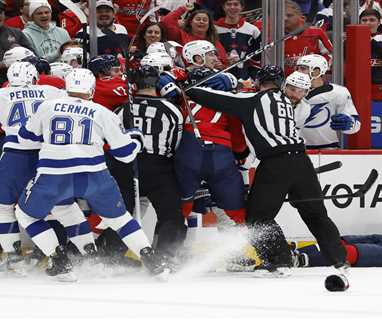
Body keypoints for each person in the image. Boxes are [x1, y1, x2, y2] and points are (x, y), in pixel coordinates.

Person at [186, 65, 348, 278]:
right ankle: (340, 259)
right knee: (316, 214)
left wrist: (189, 87)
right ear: (282, 85)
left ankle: (279, 260)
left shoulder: (253, 100)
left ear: (257, 82)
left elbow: (212, 98)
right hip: (302, 161)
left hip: (275, 163)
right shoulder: (290, 104)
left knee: (257, 217)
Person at [14, 68, 167, 281]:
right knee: (119, 219)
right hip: (94, 175)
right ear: (91, 90)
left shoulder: (47, 107)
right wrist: (135, 140)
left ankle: (60, 262)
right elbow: (124, 155)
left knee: (26, 214)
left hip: (54, 174)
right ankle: (149, 258)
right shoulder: (103, 112)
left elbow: (25, 139)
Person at [0, 62, 96, 274]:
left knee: (4, 207)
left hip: (15, 157)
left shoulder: (2, 94)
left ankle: (15, 258)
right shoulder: (51, 90)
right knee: (64, 206)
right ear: (35, 78)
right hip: (48, 155)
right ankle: (90, 254)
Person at [173, 40, 248, 226]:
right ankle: (241, 254)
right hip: (219, 151)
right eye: (211, 54)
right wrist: (240, 151)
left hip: (186, 150)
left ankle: (167, 253)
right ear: (197, 58)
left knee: (178, 211)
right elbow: (235, 121)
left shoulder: (178, 82)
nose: (217, 58)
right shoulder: (224, 86)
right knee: (234, 211)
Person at [120, 64, 186, 262]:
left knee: (121, 215)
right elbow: (176, 143)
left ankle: (108, 257)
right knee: (171, 215)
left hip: (126, 165)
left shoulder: (123, 108)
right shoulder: (171, 109)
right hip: (159, 166)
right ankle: (166, 256)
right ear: (157, 83)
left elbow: (113, 138)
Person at [295, 54, 360, 149]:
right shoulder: (288, 91)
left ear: (317, 71)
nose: (298, 72)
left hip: (328, 149)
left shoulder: (338, 92)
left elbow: (356, 125)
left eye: (303, 69)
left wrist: (349, 124)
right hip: (295, 150)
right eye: (297, 69)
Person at [161, 3, 228, 68]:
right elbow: (166, 22)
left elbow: (223, 61)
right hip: (185, 76)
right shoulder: (180, 35)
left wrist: (220, 65)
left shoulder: (213, 41)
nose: (201, 22)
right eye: (198, 19)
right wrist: (183, 8)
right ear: (190, 22)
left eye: (205, 20)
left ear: (209, 25)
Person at [215, 0, 261, 82]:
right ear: (223, 7)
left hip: (245, 79)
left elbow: (257, 57)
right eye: (229, 4)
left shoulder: (252, 30)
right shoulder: (214, 30)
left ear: (242, 7)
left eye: (236, 4)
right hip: (221, 77)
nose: (232, 7)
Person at [283, 0, 333, 76]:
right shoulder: (273, 36)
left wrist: (317, 70)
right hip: (285, 83)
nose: (285, 19)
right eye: (281, 16)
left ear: (302, 18)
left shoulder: (316, 33)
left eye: (289, 15)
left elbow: (330, 56)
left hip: (313, 81)